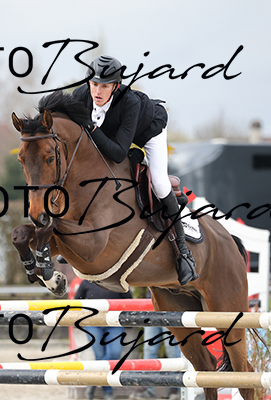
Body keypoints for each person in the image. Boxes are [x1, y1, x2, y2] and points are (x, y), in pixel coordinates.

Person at [73, 55, 198, 285]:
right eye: (94, 84)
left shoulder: (129, 102)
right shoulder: (80, 96)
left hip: (149, 131)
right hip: (115, 133)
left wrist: (91, 128)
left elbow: (119, 152)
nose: (97, 91)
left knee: (159, 183)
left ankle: (183, 252)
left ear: (116, 86)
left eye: (104, 86)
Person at [75, 279, 132, 400]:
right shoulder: (86, 282)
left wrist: (129, 319)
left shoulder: (118, 281)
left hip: (114, 323)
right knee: (100, 355)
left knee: (114, 353)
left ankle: (93, 381)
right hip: (93, 324)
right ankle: (107, 391)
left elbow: (129, 300)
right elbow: (77, 301)